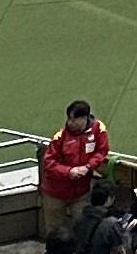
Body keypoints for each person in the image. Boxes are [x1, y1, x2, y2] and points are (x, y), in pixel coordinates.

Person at [37, 100, 110, 234]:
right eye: (69, 119)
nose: (70, 123)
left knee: (82, 228)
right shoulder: (60, 137)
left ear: (84, 118)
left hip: (82, 193)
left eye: (74, 119)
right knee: (54, 231)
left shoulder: (98, 130)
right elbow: (49, 162)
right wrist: (68, 172)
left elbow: (102, 151)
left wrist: (88, 166)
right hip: (55, 193)